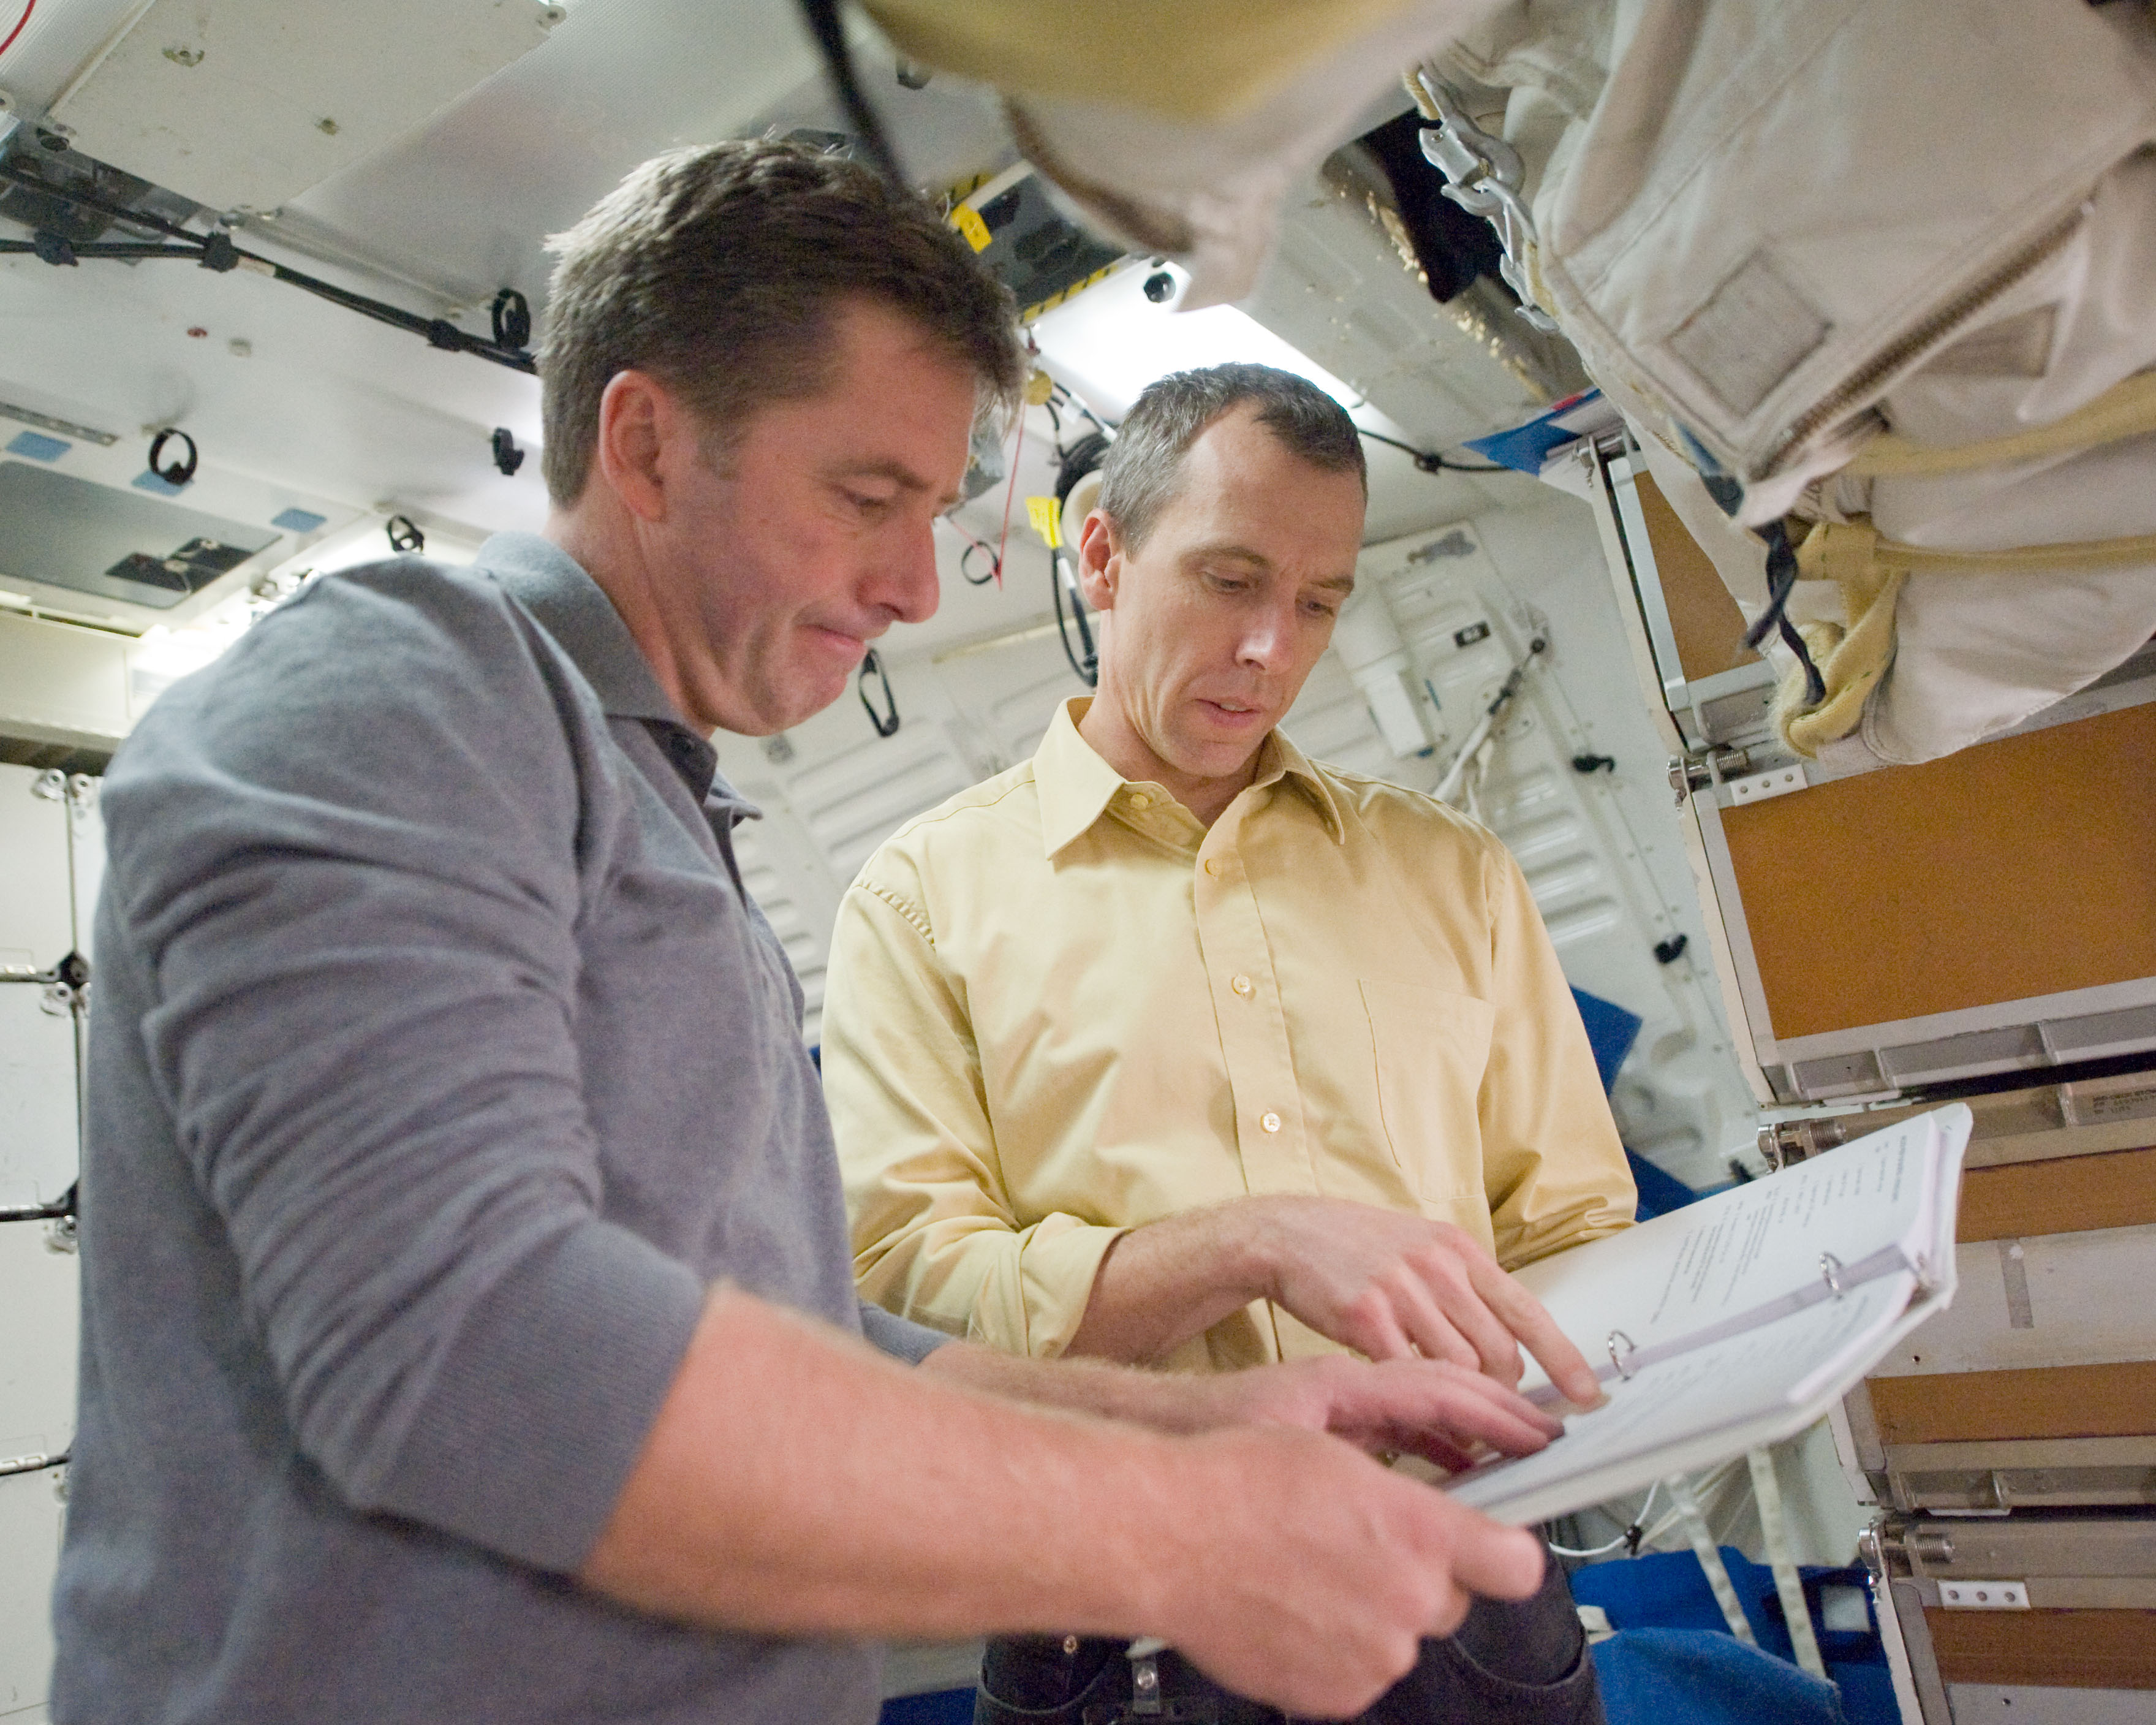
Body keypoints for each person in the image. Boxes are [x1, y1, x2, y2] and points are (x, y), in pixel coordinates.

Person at [50, 145, 1568, 1725]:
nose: (915, 585)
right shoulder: (395, 691)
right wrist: (1173, 1536)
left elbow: (828, 1346)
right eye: (865, 498)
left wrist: (1222, 1428)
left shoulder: (656, 802)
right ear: (643, 441)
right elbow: (472, 1348)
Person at [823, 363, 1638, 1722]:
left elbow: (1569, 1230)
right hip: (1124, 1623)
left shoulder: (1453, 873)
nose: (1271, 646)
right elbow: (908, 1300)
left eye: (1317, 603)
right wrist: (1248, 1242)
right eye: (1226, 580)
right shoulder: (920, 903)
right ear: (1101, 554)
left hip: (1469, 1598)